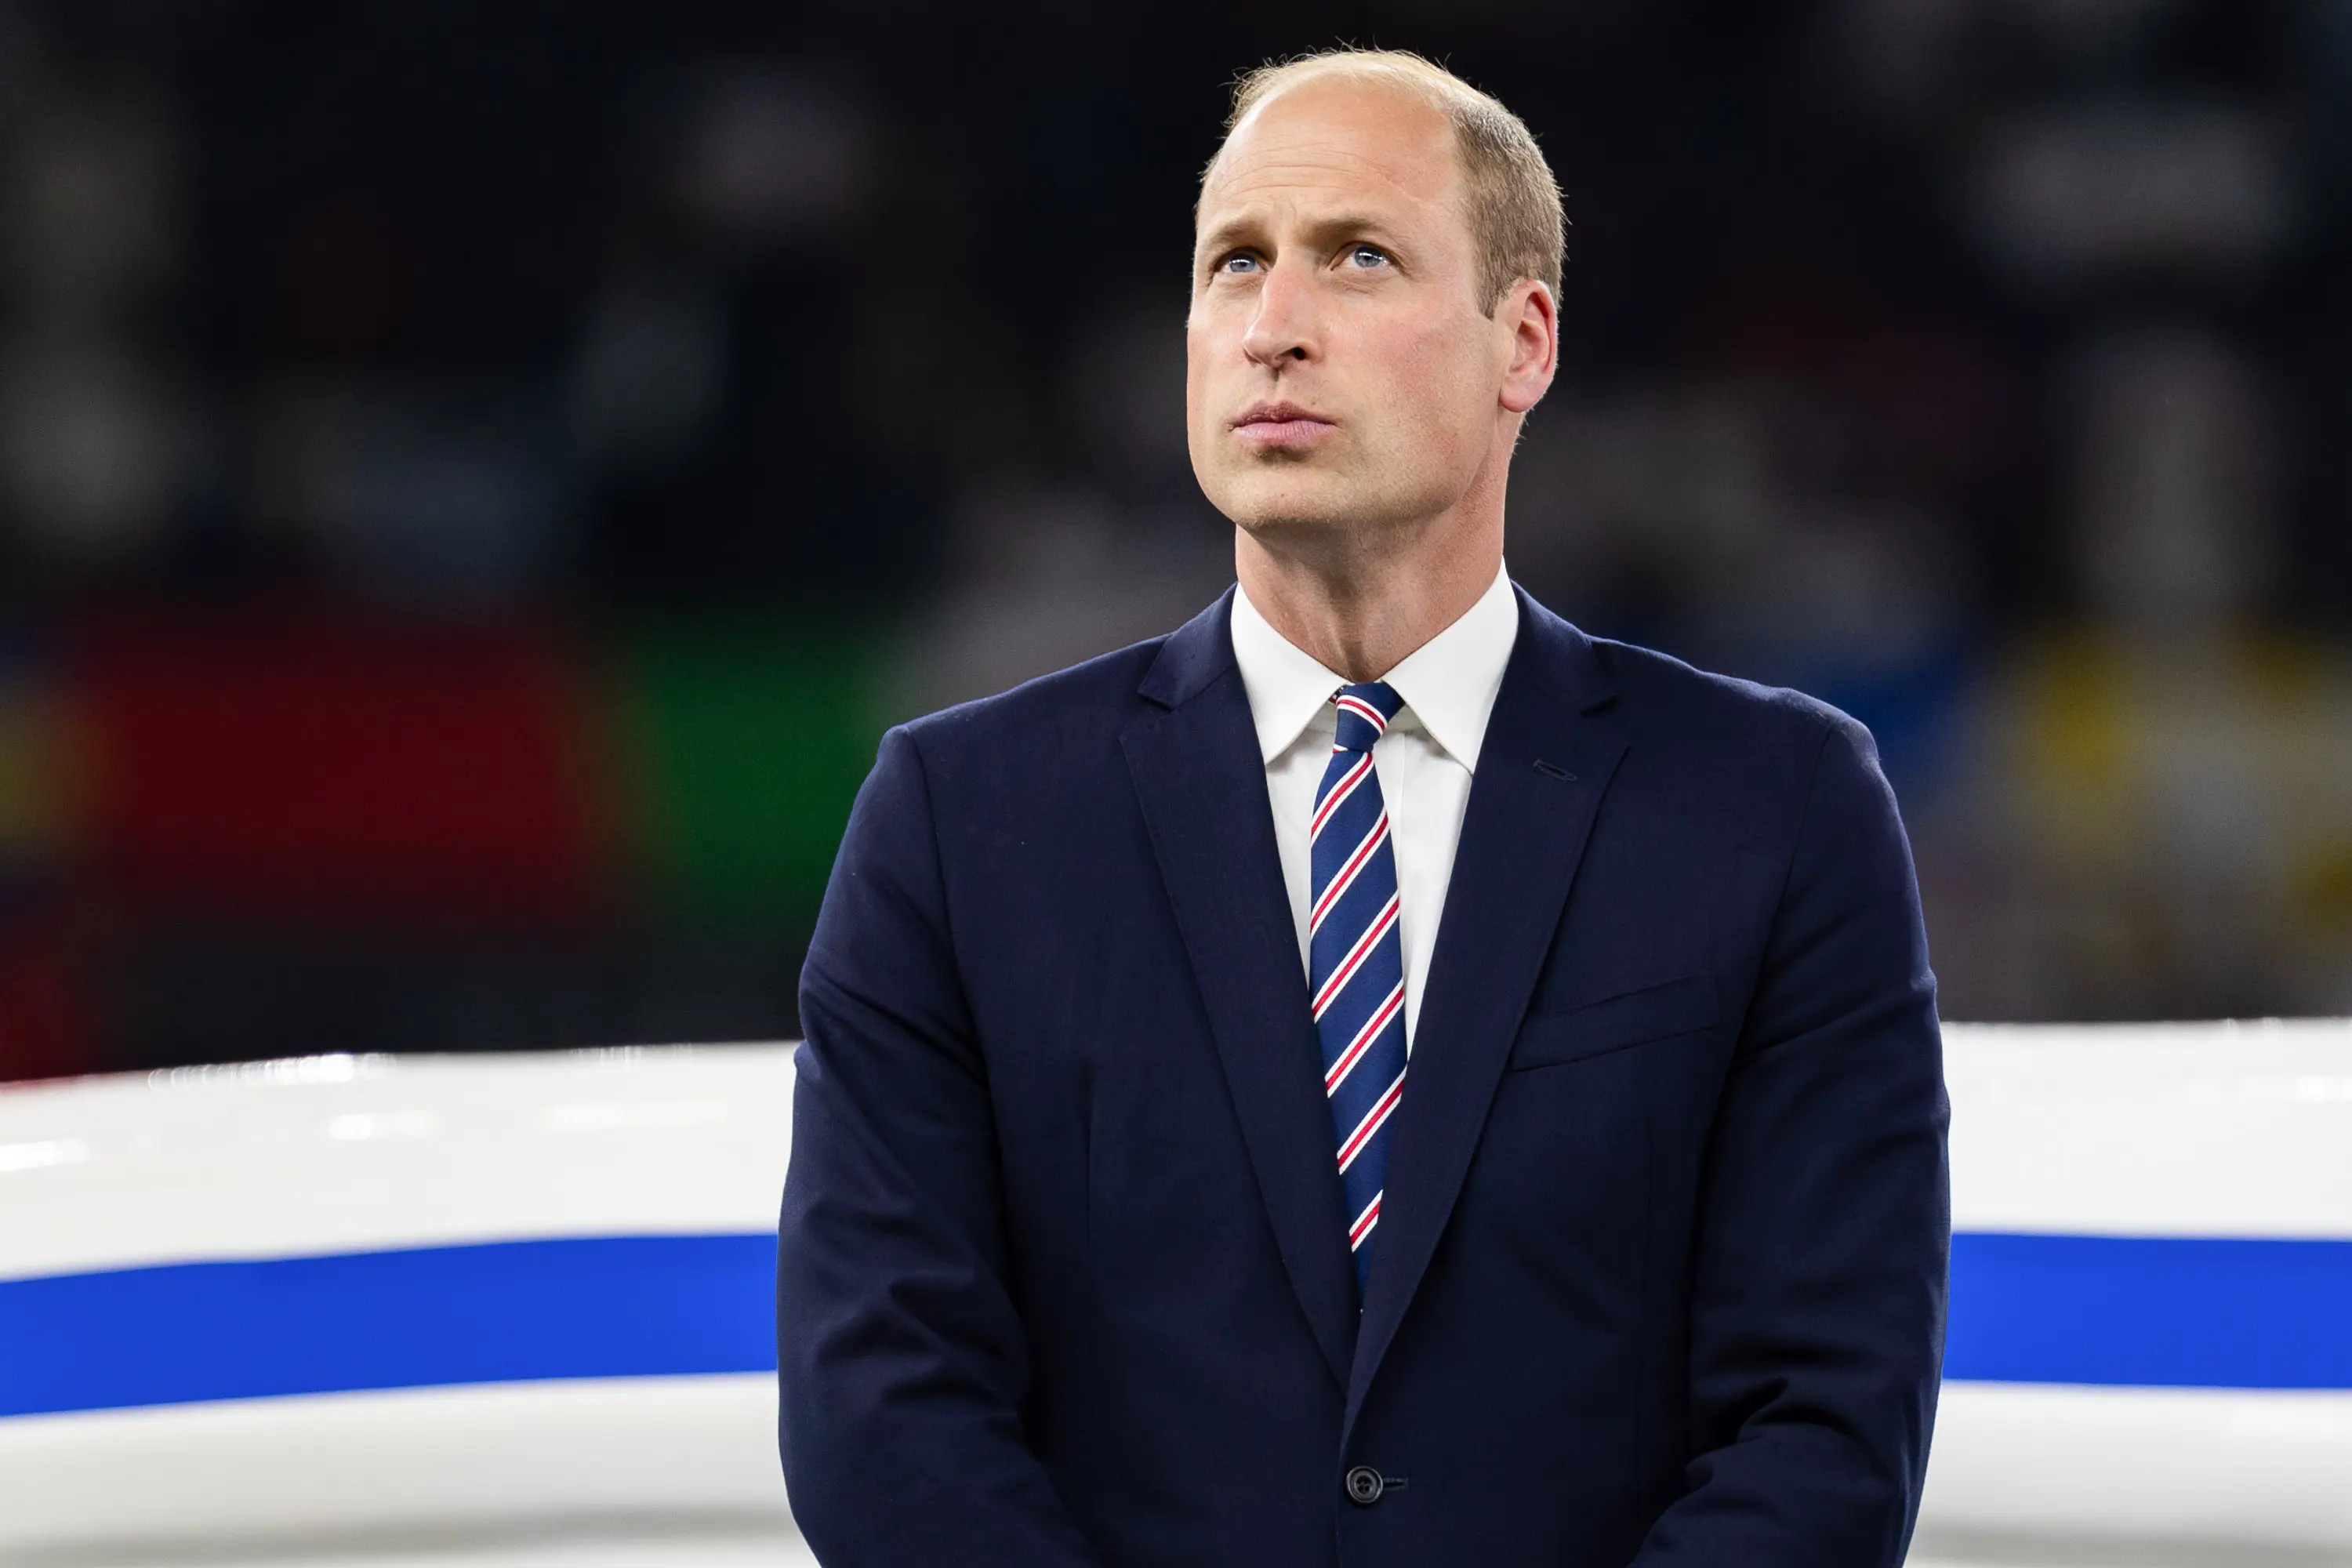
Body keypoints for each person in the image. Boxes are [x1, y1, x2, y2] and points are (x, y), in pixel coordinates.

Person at [777, 48, 1947, 1568]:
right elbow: (885, 1408)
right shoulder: (956, 817)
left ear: (1520, 341)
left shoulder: (1778, 806)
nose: (1273, 327)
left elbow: (1827, 1418)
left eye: (1360, 258)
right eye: (1234, 265)